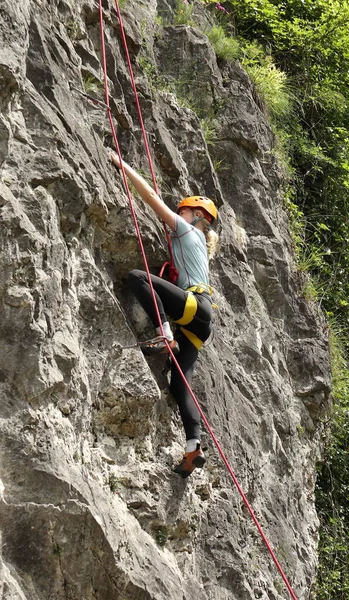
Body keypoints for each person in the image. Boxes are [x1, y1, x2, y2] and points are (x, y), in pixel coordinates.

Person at [110, 152, 218, 479]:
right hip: (199, 323)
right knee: (179, 386)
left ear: (196, 215)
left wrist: (122, 165)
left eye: (183, 208)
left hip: (194, 306)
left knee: (138, 277)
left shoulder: (189, 231)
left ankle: (164, 332)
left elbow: (152, 198)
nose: (179, 210)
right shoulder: (195, 240)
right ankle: (192, 447)